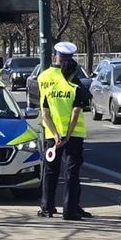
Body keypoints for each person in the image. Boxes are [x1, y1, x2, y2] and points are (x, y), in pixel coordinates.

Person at [37, 41, 91, 221]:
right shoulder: (70, 79)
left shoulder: (43, 77)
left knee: (50, 171)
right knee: (72, 172)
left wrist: (53, 133)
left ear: (55, 57)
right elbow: (82, 99)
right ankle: (71, 207)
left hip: (51, 132)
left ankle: (47, 206)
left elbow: (44, 107)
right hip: (72, 133)